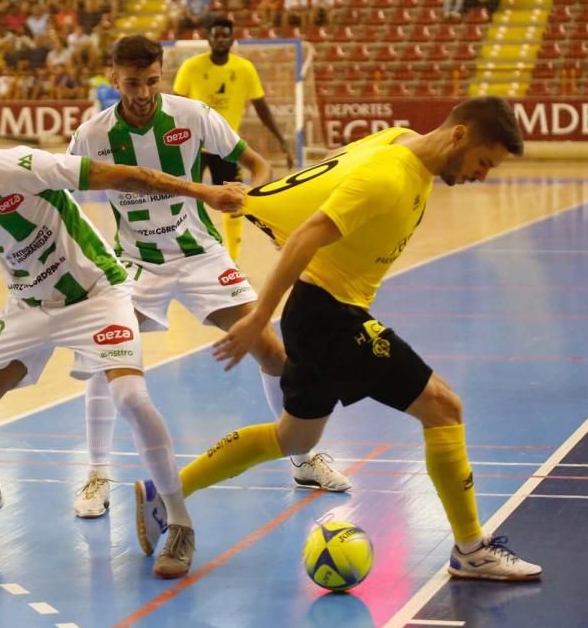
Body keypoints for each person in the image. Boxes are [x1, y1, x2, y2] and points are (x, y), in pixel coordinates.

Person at [131, 97, 543, 583]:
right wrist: (259, 316)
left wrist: (264, 199)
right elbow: (307, 236)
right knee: (443, 407)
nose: (482, 175)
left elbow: (326, 175)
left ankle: (165, 491)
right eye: (483, 162)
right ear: (458, 135)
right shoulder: (388, 175)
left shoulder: (398, 139)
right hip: (331, 316)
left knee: (294, 436)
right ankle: (471, 549)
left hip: (318, 312)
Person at [0, 122, 245, 579]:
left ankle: (178, 520)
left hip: (99, 295)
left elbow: (124, 175)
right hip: (29, 307)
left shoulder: (21, 166)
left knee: (132, 399)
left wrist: (204, 192)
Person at [66, 34, 351, 520]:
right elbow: (64, 199)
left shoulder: (191, 116)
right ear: (113, 78)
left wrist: (255, 195)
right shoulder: (91, 136)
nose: (141, 93)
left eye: (151, 81)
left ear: (161, 73)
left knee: (274, 354)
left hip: (201, 256)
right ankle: (97, 472)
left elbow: (255, 163)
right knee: (101, 356)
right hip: (136, 263)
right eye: (131, 83)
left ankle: (302, 456)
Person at [172, 17, 292, 260]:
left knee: (235, 201)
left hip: (227, 148)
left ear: (232, 38)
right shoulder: (191, 67)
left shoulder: (245, 69)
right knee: (184, 200)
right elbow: (173, 107)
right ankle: (185, 254)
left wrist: (280, 139)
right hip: (192, 147)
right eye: (215, 35)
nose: (220, 39)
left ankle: (233, 260)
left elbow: (261, 107)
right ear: (208, 38)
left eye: (225, 35)